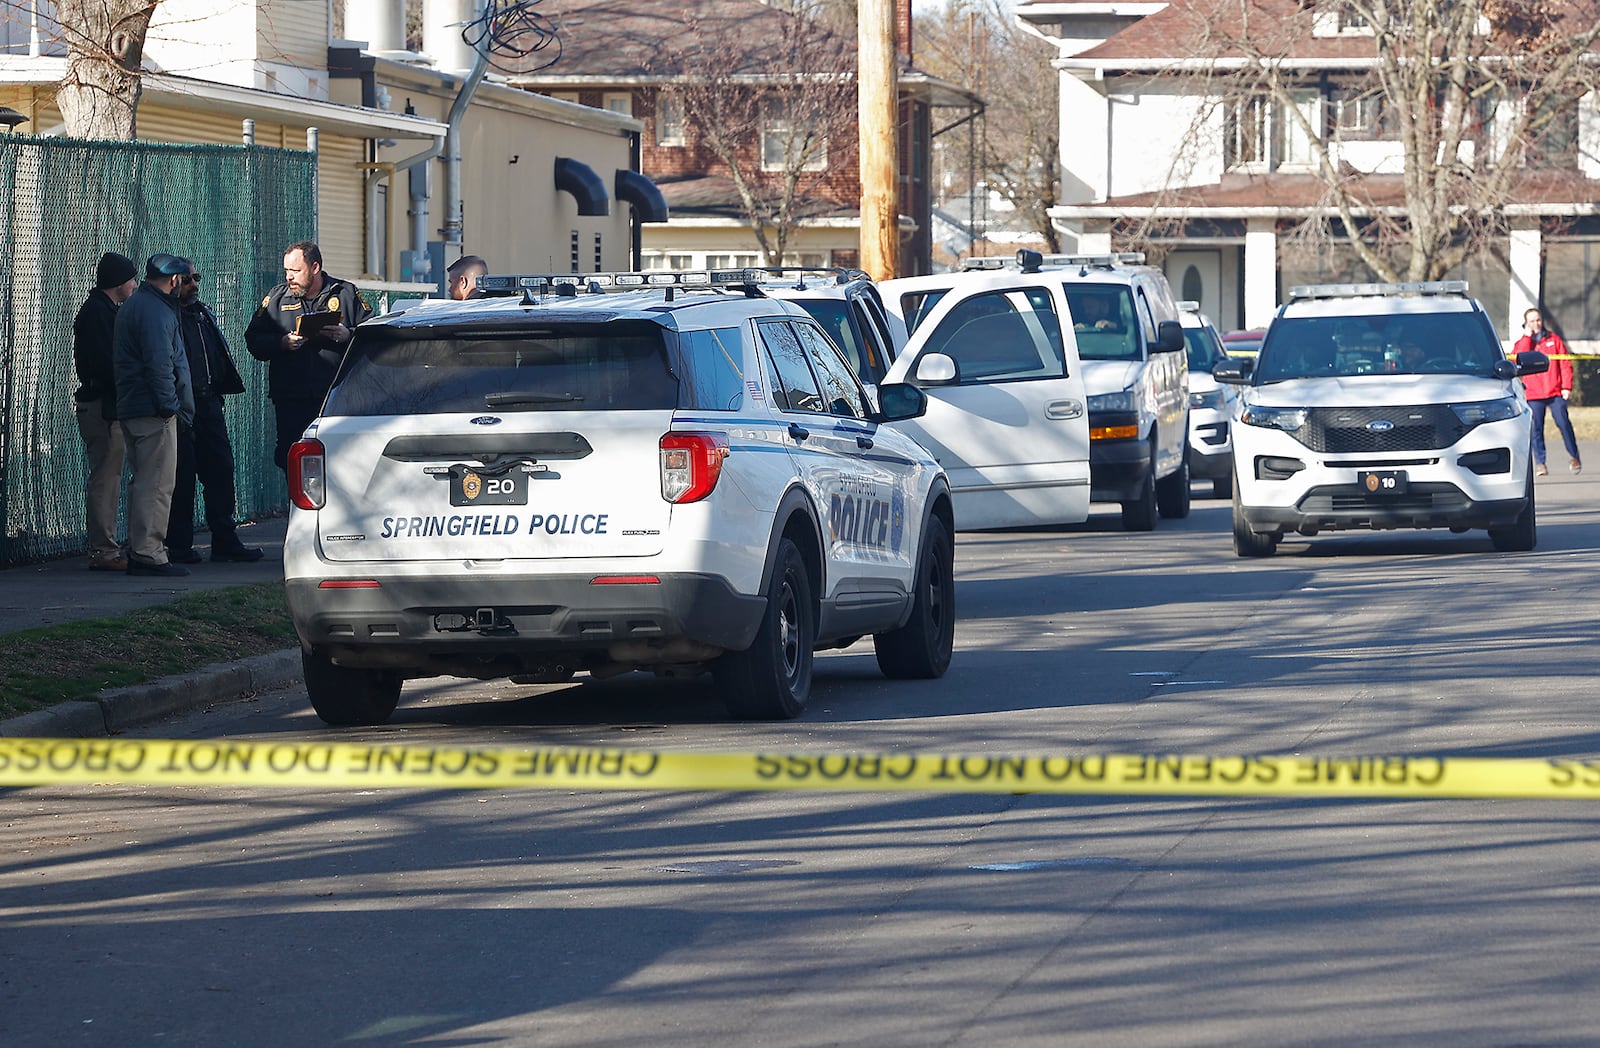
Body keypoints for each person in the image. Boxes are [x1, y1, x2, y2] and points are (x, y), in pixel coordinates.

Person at [165, 263, 264, 564]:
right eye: (187, 279)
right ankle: (179, 545)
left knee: (221, 469)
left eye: (197, 278)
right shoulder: (168, 318)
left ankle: (225, 538)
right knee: (182, 477)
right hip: (183, 405)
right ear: (173, 282)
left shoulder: (202, 314)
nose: (194, 284)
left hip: (209, 404)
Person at [244, 241, 372, 473]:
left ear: (315, 268)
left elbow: (373, 334)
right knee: (291, 456)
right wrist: (281, 343)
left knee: (342, 458)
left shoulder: (345, 293)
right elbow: (253, 339)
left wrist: (348, 335)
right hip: (292, 398)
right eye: (286, 271)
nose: (289, 277)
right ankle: (297, 508)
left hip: (337, 397)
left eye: (295, 271)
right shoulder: (277, 298)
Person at [113, 253, 194, 577]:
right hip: (152, 411)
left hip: (135, 407)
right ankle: (149, 553)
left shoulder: (138, 305)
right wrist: (168, 406)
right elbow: (160, 363)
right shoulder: (155, 311)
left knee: (144, 481)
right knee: (156, 484)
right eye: (184, 279)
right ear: (174, 280)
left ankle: (142, 548)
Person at [72, 251, 138, 572]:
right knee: (105, 478)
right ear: (118, 282)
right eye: (131, 280)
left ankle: (107, 546)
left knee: (110, 476)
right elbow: (104, 362)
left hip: (107, 404)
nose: (135, 285)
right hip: (102, 407)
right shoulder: (98, 313)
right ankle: (103, 550)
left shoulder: (105, 310)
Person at [1515, 306, 1581, 477]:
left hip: (1555, 391)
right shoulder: (1525, 342)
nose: (1536, 324)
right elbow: (1518, 357)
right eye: (1531, 321)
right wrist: (1527, 337)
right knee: (1536, 428)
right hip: (1534, 394)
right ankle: (1541, 463)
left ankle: (1574, 456)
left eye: (1538, 320)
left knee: (1563, 423)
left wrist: (1566, 387)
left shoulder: (1554, 340)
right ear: (1526, 323)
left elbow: (1565, 364)